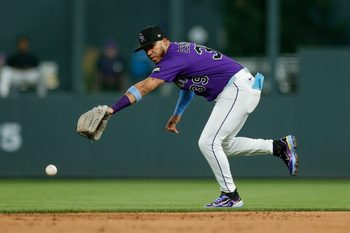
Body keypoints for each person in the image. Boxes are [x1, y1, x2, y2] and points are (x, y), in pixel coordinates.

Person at [106, 26, 299, 208]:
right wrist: (177, 113)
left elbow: (145, 87)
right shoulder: (176, 54)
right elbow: (188, 86)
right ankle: (279, 147)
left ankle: (230, 195)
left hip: (236, 88)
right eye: (145, 49)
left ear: (165, 41)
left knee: (208, 142)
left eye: (151, 46)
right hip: (237, 88)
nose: (148, 52)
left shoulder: (174, 58)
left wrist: (113, 109)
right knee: (223, 145)